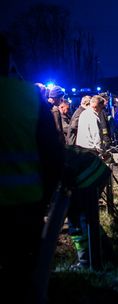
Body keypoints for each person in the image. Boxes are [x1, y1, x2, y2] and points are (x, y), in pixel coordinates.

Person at [0, 34, 64, 303]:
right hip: (24, 207)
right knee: (20, 279)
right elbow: (53, 156)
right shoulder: (28, 96)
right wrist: (45, 200)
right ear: (8, 60)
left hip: (25, 206)